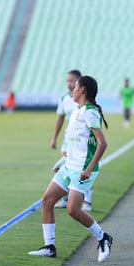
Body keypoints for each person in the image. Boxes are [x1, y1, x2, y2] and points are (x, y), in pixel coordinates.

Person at [28, 76, 113, 263]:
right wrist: (64, 161)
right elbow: (78, 142)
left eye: (74, 87)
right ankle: (49, 247)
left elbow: (102, 143)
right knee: (47, 200)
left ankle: (102, 237)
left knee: (72, 209)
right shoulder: (77, 110)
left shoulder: (89, 112)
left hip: (82, 169)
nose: (71, 90)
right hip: (69, 166)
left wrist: (89, 168)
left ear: (82, 89)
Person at [51, 70, 94, 211]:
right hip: (68, 139)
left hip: (81, 141)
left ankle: (87, 201)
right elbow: (60, 119)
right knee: (65, 169)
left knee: (84, 169)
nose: (69, 84)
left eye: (72, 81)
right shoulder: (64, 99)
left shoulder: (85, 103)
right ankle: (65, 198)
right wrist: (54, 138)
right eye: (67, 81)